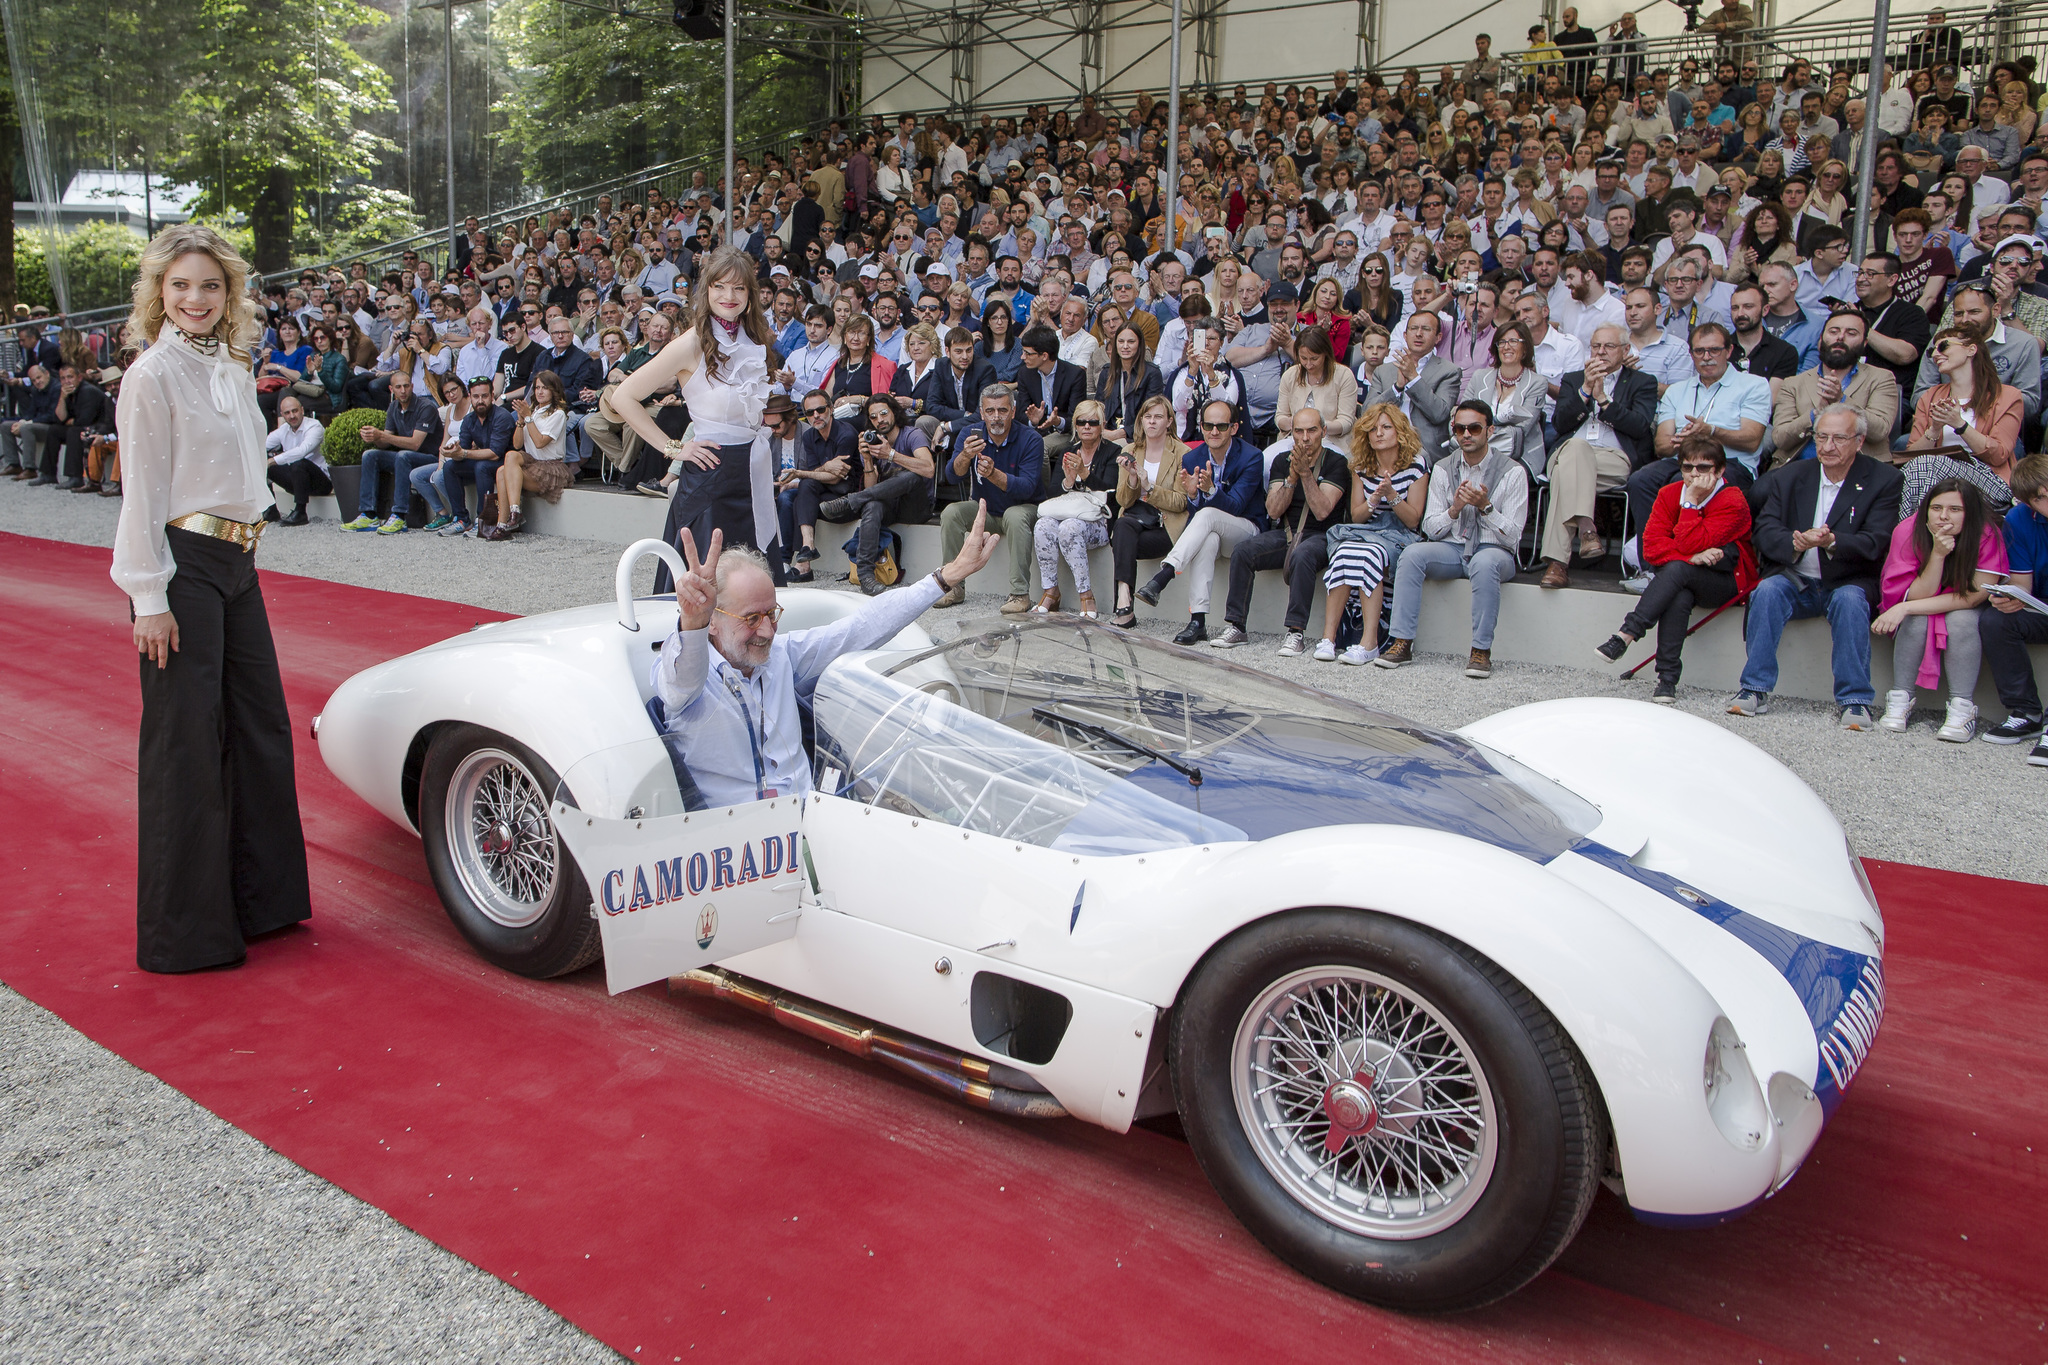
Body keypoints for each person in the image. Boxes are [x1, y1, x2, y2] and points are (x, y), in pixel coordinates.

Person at [112, 223, 311, 973]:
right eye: (181, 285)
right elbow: (143, 493)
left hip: (239, 561)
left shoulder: (232, 364)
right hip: (181, 566)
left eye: (210, 285)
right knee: (185, 743)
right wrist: (147, 595)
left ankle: (263, 903)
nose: (196, 298)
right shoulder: (150, 375)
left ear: (229, 295)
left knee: (261, 726)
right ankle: (185, 934)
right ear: (159, 294)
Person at [652, 506, 1001, 806]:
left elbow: (862, 626)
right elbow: (683, 676)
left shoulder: (781, 657)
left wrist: (946, 577)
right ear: (712, 620)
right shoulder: (684, 676)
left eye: (771, 613)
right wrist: (692, 624)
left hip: (815, 824)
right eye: (751, 619)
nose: (768, 631)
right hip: (739, 854)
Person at [613, 248, 784, 593]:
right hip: (710, 474)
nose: (729, 296)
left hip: (752, 474)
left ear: (750, 295)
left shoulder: (757, 340)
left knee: (752, 585)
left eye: (738, 288)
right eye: (720, 287)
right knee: (704, 582)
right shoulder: (689, 343)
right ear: (706, 291)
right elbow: (623, 397)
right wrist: (674, 448)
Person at [1730, 403, 1905, 726]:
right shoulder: (1792, 475)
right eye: (1821, 437)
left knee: (1851, 601)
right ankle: (1753, 688)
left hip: (1848, 579)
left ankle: (1855, 700)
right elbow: (1765, 530)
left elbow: (1878, 540)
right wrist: (1793, 543)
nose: (1827, 446)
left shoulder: (1884, 479)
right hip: (1796, 578)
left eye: (1839, 438)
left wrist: (1832, 541)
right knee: (1767, 591)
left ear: (1860, 441)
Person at [1593, 432, 1757, 702]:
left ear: (1720, 470)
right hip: (1685, 577)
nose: (1694, 474)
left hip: (1728, 581)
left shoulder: (1733, 499)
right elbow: (1652, 548)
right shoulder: (1669, 493)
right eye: (1687, 467)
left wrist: (1691, 501)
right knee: (1679, 591)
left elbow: (1691, 539)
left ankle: (1626, 634)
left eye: (1703, 468)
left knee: (1676, 571)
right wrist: (1692, 558)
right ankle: (1666, 681)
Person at [1376, 400, 1526, 678]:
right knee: (1411, 555)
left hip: (1495, 551)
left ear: (1490, 431)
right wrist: (1454, 510)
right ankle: (1401, 642)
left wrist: (1486, 507)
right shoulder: (1444, 468)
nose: (1466, 434)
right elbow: (1431, 528)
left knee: (1484, 562)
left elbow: (1514, 537)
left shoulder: (1513, 471)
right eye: (1459, 429)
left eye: (1474, 428)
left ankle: (1480, 650)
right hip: (1452, 549)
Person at [1207, 406, 1351, 655]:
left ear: (1324, 432)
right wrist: (1292, 478)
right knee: (1243, 552)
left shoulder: (1336, 462)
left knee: (1303, 554)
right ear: (1291, 434)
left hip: (1322, 536)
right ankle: (1236, 625)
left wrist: (1306, 473)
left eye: (1312, 431)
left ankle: (1296, 632)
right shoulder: (1280, 462)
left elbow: (1322, 511)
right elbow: (1273, 511)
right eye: (1299, 431)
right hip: (1286, 533)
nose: (1305, 438)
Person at [1874, 479, 2008, 740]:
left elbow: (1971, 598)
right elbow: (1916, 593)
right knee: (1917, 619)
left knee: (1961, 620)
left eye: (1955, 509)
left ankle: (1962, 709)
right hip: (1926, 599)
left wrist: (1906, 607)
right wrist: (1937, 555)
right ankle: (1901, 698)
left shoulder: (1986, 532)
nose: (1944, 517)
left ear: (1970, 511)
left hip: (1965, 606)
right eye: (1936, 508)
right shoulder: (1908, 530)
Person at [1132, 397, 1268, 641]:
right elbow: (1196, 519)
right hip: (1214, 530)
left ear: (1234, 428)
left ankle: (1165, 575)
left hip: (1247, 530)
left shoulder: (1252, 457)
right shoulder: (1193, 458)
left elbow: (1237, 507)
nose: (1214, 431)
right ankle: (1198, 620)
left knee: (1208, 515)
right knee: (1207, 539)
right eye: (1208, 426)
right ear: (1201, 427)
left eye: (1222, 426)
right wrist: (1194, 496)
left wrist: (1210, 492)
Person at [1541, 323, 1659, 586]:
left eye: (1609, 346)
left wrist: (1604, 401)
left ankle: (1557, 563)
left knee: (1566, 472)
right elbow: (1560, 424)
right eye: (1596, 346)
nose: (1601, 352)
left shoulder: (1642, 382)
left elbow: (1640, 426)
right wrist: (1584, 392)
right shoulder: (1573, 379)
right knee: (1576, 450)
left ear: (1626, 350)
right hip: (1569, 452)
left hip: (1613, 458)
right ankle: (1587, 531)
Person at [1316, 404, 1429, 665]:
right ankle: (1328, 638)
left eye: (1386, 427)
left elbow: (1413, 519)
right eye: (1373, 429)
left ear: (1400, 433)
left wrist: (1391, 495)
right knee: (1344, 551)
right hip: (1368, 530)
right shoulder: (1361, 466)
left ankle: (1369, 643)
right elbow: (1357, 516)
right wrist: (1374, 499)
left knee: (1370, 552)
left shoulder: (1416, 466)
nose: (1378, 434)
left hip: (1400, 535)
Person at [936, 383, 1042, 611]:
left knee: (1015, 516)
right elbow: (952, 477)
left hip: (1022, 509)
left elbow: (1027, 489)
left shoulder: (1031, 439)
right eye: (990, 411)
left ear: (1013, 412)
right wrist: (965, 455)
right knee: (952, 513)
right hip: (985, 509)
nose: (996, 417)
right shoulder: (969, 433)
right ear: (982, 413)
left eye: (1002, 410)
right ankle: (953, 586)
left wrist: (993, 474)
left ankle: (1019, 594)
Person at [818, 392, 936, 596]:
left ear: (894, 412)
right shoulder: (872, 442)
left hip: (916, 506)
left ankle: (850, 501)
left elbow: (928, 469)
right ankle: (866, 576)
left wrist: (890, 454)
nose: (879, 420)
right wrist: (868, 459)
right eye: (873, 417)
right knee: (871, 503)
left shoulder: (911, 434)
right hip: (889, 506)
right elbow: (871, 487)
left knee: (913, 475)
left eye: (883, 413)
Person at [1977, 454, 2048, 758]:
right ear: (2028, 502)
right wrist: (2009, 596)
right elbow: (2023, 584)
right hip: (2042, 608)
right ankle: (2026, 714)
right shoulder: (2020, 520)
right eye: (2040, 498)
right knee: (1995, 619)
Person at [1904, 326, 2025, 498]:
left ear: (1971, 349)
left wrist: (1959, 424)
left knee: (1927, 464)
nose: (1935, 354)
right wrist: (1934, 430)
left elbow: (1999, 455)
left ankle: (1913, 524)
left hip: (1989, 482)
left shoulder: (2007, 396)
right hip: (1936, 480)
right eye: (1932, 350)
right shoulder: (1930, 397)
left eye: (1943, 346)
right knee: (1918, 467)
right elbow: (1911, 460)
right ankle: (1914, 524)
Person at [1769, 310, 1899, 469]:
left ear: (1864, 343)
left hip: (1860, 469)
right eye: (1833, 331)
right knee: (1761, 491)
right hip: (1800, 467)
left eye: (1851, 333)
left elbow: (1880, 430)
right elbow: (1780, 438)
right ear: (1821, 339)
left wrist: (1841, 401)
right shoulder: (1793, 383)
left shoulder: (1881, 378)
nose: (1840, 337)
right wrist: (1816, 414)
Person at [1027, 398, 1121, 616]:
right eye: (1081, 422)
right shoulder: (1068, 451)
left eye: (1093, 422)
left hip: (1099, 522)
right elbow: (1053, 494)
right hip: (1070, 517)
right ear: (1075, 426)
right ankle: (1051, 591)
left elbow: (1112, 492)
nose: (1086, 426)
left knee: (1069, 527)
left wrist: (1084, 474)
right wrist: (1068, 482)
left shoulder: (1112, 453)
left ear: (1102, 425)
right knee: (1043, 525)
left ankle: (1086, 595)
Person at [476, 368, 574, 541]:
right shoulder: (534, 411)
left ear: (554, 390)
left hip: (550, 467)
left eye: (544, 387)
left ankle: (512, 515)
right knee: (507, 462)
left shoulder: (558, 413)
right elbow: (517, 444)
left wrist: (528, 418)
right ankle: (504, 523)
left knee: (506, 466)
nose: (540, 391)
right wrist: (521, 422)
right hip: (532, 463)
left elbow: (540, 442)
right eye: (537, 388)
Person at [340, 370, 441, 534]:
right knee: (371, 455)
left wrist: (382, 435)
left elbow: (415, 444)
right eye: (398, 387)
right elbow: (385, 442)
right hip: (406, 458)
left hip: (430, 458)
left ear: (412, 386)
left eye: (406, 386)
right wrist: (374, 437)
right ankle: (369, 514)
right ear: (391, 389)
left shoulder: (426, 407)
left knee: (403, 455)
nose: (403, 390)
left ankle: (399, 515)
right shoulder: (393, 406)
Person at [1360, 310, 1462, 466]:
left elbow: (1439, 413)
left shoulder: (1449, 371)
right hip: (1383, 444)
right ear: (1405, 336)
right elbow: (1367, 413)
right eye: (1414, 329)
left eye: (1426, 329)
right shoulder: (1384, 370)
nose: (1419, 334)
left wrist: (1414, 379)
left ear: (1438, 337)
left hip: (1424, 448)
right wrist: (1397, 388)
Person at [781, 392, 861, 579]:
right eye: (809, 412)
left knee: (804, 488)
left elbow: (835, 478)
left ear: (831, 409)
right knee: (798, 492)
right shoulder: (810, 437)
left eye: (820, 409)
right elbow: (819, 472)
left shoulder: (846, 434)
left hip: (846, 497)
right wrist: (825, 467)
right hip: (822, 492)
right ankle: (802, 551)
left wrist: (800, 474)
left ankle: (803, 565)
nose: (815, 415)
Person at [434, 376, 517, 535]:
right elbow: (462, 452)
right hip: (484, 463)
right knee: (450, 466)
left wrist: (463, 453)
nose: (480, 401)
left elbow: (494, 454)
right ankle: (461, 518)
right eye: (476, 396)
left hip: (506, 464)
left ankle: (483, 519)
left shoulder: (502, 416)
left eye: (484, 396)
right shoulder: (469, 419)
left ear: (492, 396)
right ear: (470, 397)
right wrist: (451, 452)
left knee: (482, 466)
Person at [261, 394, 329, 526]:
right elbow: (262, 446)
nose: (292, 416)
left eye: (295, 411)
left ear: (302, 410)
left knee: (299, 463)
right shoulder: (283, 430)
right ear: (282, 415)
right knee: (263, 463)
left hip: (321, 482)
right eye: (287, 413)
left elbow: (301, 451)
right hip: (297, 481)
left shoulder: (314, 426)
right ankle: (271, 508)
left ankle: (300, 512)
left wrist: (272, 460)